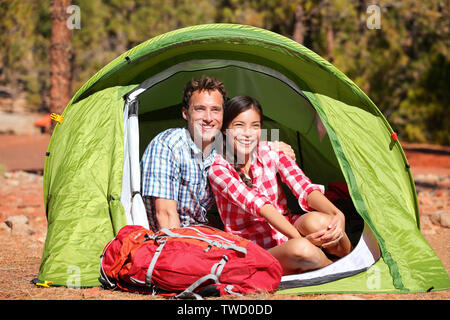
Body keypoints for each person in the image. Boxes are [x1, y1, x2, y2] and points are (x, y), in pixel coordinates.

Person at [208, 95, 353, 275]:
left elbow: (303, 186)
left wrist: (337, 214)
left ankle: (352, 258)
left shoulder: (271, 150)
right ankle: (336, 270)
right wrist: (299, 238)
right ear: (224, 130)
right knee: (301, 249)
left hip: (285, 228)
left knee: (324, 223)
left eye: (255, 126)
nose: (248, 133)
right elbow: (259, 205)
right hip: (252, 248)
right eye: (239, 125)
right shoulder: (218, 168)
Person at [141, 77, 295, 232]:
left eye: (215, 110)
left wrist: (277, 148)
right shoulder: (168, 145)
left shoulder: (223, 148)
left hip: (203, 234)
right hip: (170, 239)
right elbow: (165, 216)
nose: (208, 118)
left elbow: (254, 151)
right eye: (200, 109)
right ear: (185, 113)